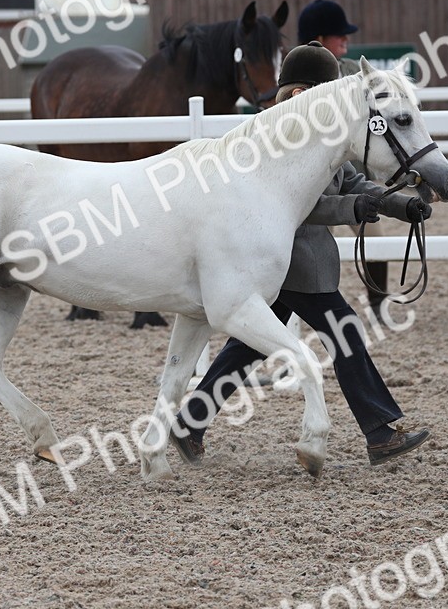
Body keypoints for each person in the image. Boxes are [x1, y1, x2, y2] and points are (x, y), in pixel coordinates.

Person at [171, 43, 433, 468]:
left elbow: (351, 184)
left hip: (298, 263)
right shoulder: (271, 139)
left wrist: (398, 204)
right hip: (290, 260)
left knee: (246, 346)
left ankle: (191, 423)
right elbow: (300, 205)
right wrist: (354, 209)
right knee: (344, 332)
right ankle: (380, 431)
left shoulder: (323, 139)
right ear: (300, 96)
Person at [298, 0, 390, 310]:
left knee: (375, 238)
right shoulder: (295, 74)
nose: (346, 41)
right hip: (308, 184)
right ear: (320, 40)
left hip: (349, 176)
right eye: (340, 36)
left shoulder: (353, 72)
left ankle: (377, 302)